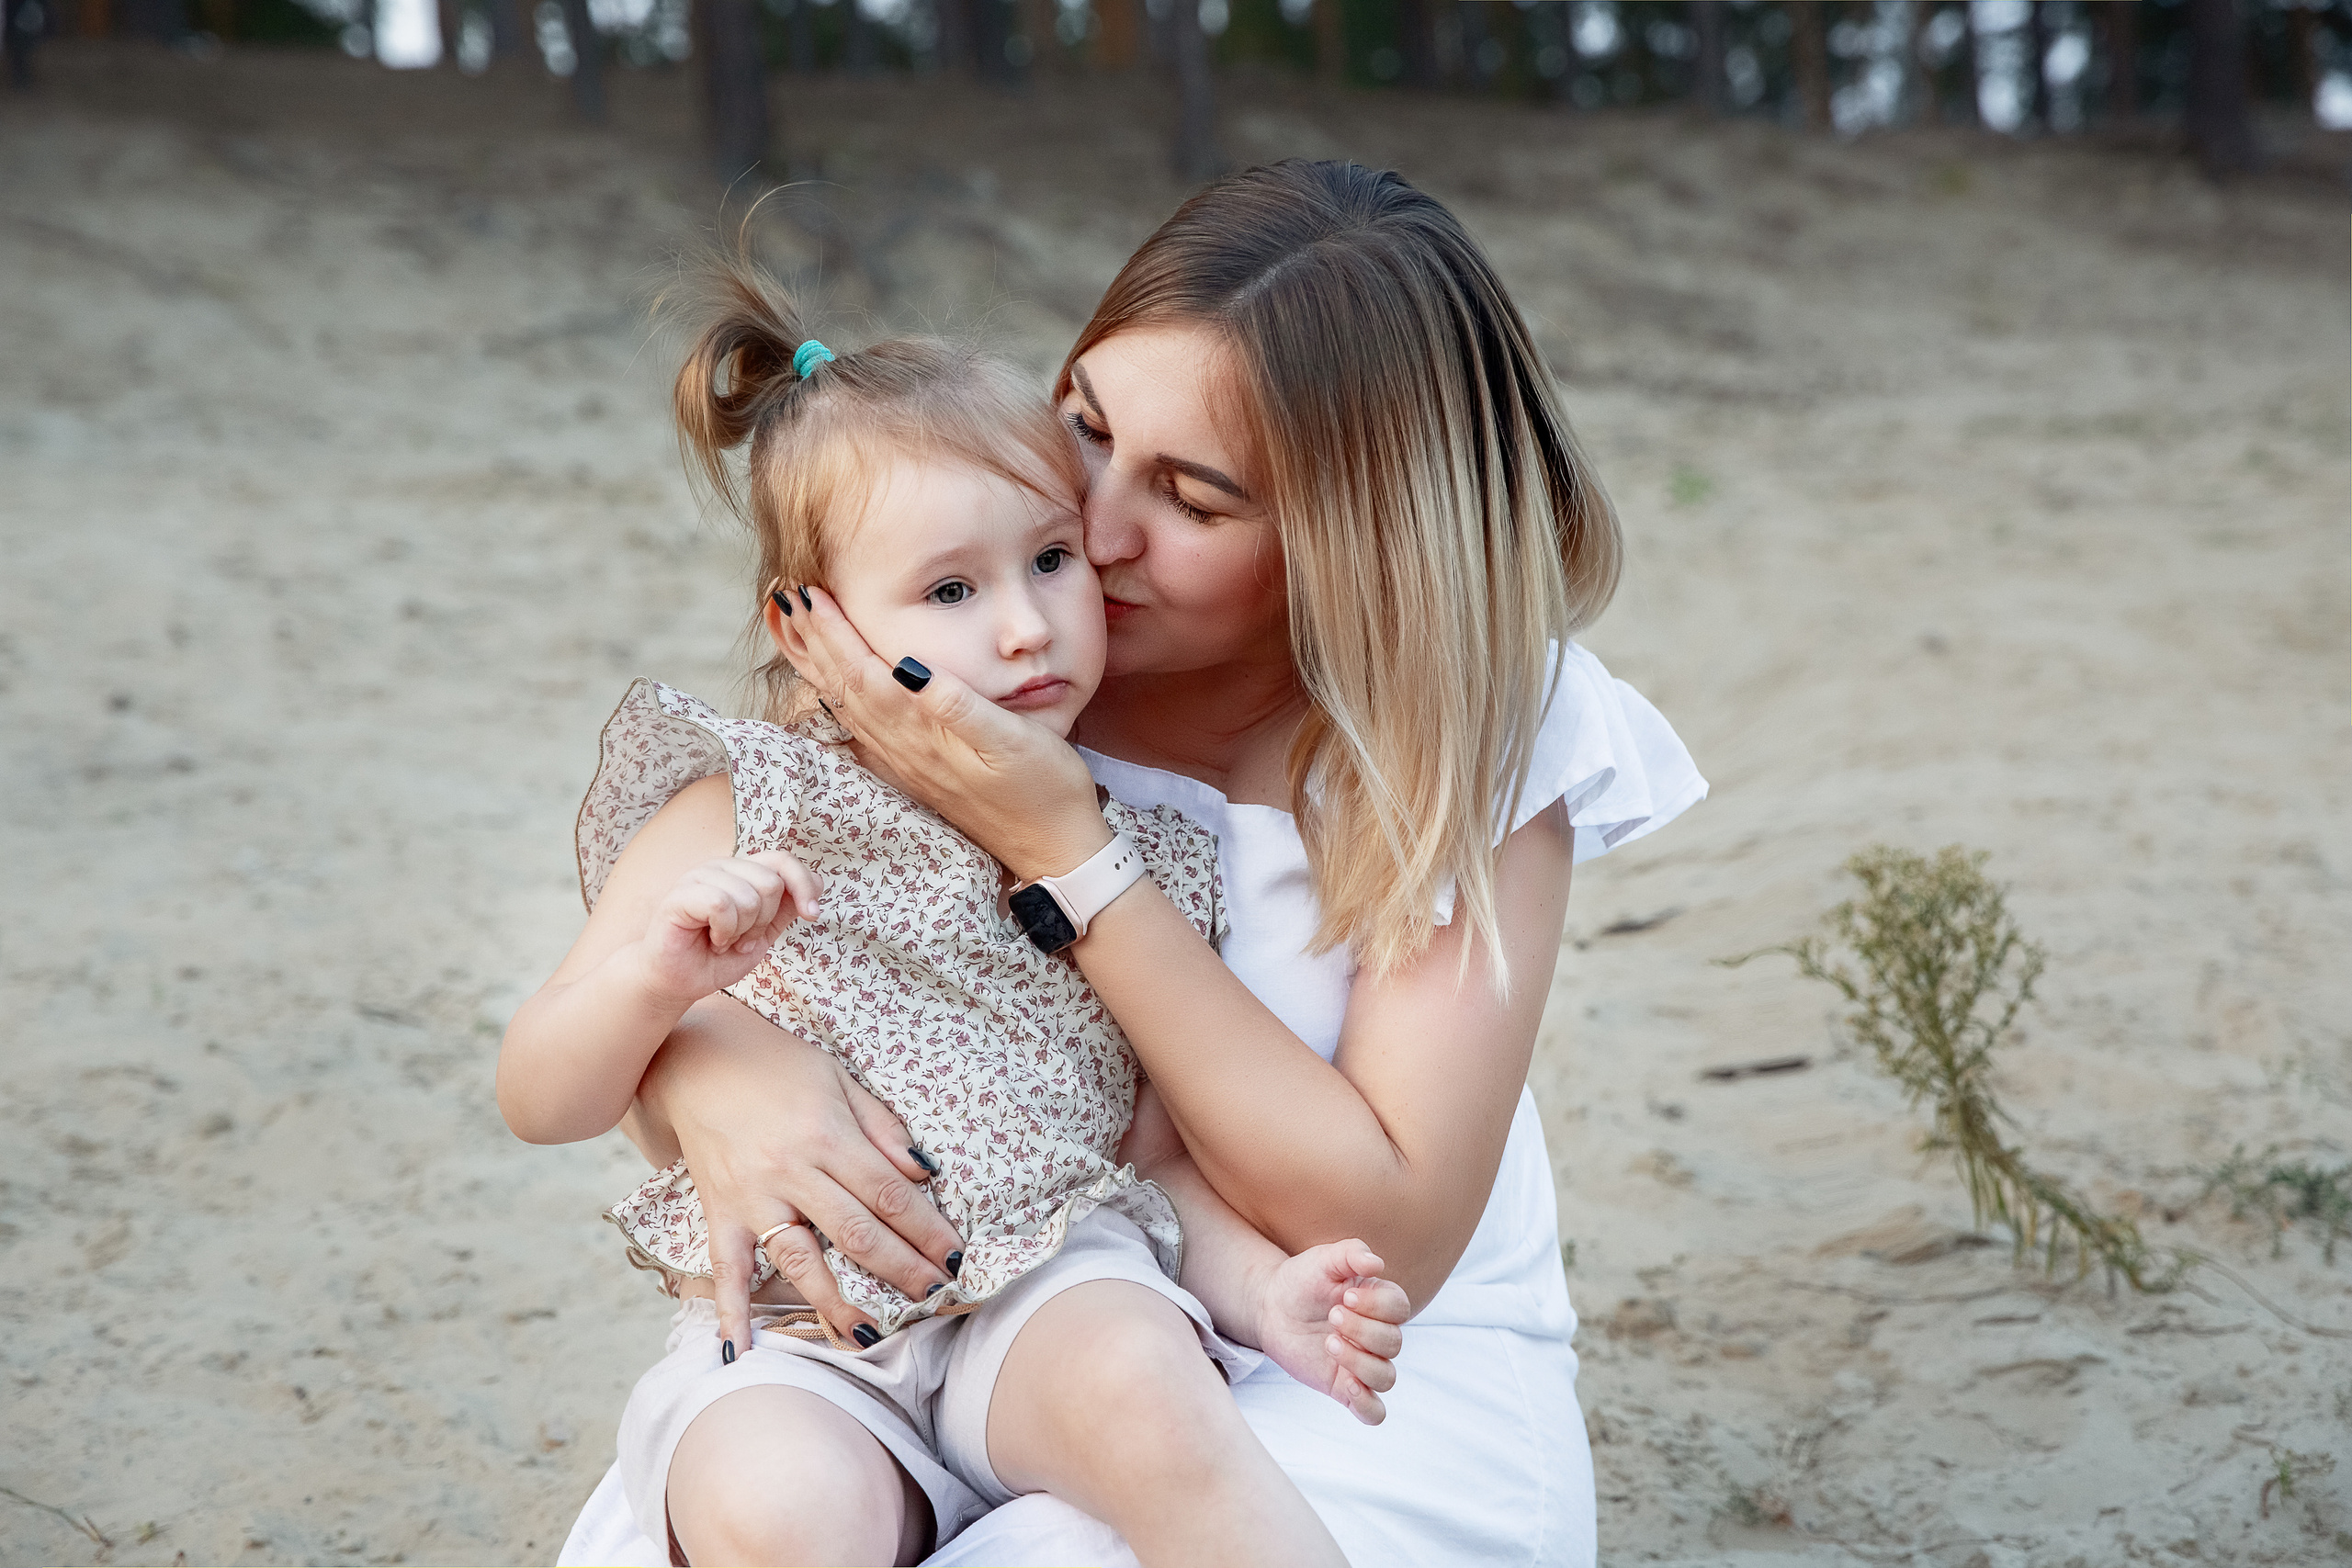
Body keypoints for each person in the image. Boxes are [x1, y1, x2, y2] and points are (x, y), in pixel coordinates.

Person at [561, 158, 1707, 1568]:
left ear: (1342, 545)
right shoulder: (991, 639)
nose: (1093, 533)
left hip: (1342, 1361)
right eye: (1089, 425)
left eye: (1193, 497)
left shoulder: (1458, 722)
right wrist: (716, 1063)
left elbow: (1384, 1231)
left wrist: (1072, 854)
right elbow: (723, 955)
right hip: (920, 1329)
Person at [506, 262, 1414, 1567]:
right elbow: (540, 1093)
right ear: (803, 620)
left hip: (1052, 1288)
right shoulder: (738, 807)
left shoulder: (1129, 850)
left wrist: (1266, 1292)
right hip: (806, 1332)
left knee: (1155, 1407)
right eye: (950, 593)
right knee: (771, 1511)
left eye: (1051, 560)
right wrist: (656, 992)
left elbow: (1155, 1160)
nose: (1029, 629)